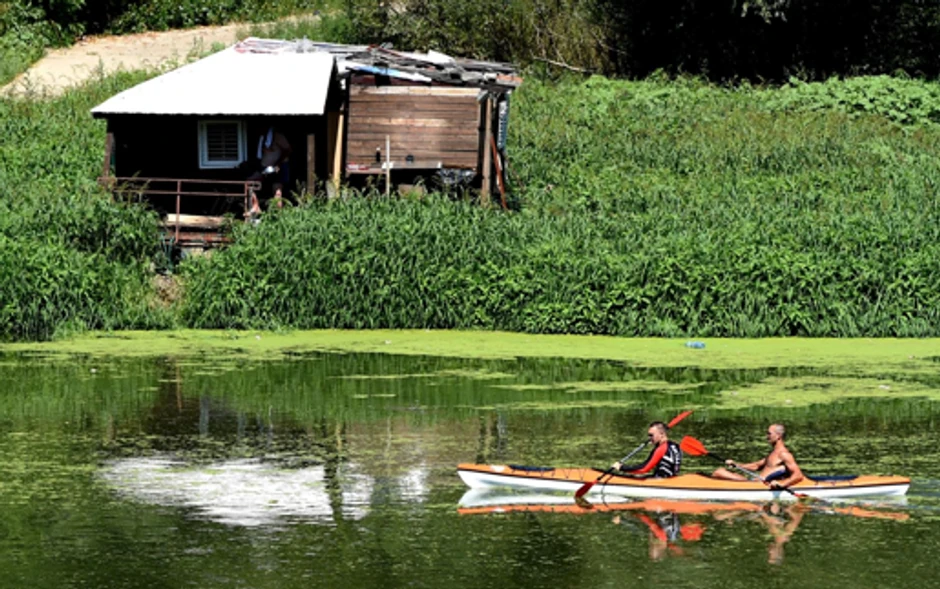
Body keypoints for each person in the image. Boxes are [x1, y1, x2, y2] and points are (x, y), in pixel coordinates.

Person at [711, 424, 804, 489]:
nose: (767, 436)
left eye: (769, 433)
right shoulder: (773, 453)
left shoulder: (784, 454)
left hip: (759, 485)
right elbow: (756, 466)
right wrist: (736, 464)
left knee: (719, 472)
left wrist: (782, 484)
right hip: (754, 482)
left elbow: (798, 475)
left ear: (778, 436)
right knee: (722, 472)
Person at [244, 126, 292, 221]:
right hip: (265, 168)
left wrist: (278, 163)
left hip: (279, 166)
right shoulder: (262, 137)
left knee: (277, 192)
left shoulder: (278, 136)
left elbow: (288, 150)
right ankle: (256, 206)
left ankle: (279, 217)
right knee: (248, 183)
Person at [612, 421, 682, 478]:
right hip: (672, 479)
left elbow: (644, 469)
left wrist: (622, 467)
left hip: (661, 482)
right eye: (649, 435)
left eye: (651, 435)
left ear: (662, 434)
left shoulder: (661, 449)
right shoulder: (675, 446)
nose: (649, 438)